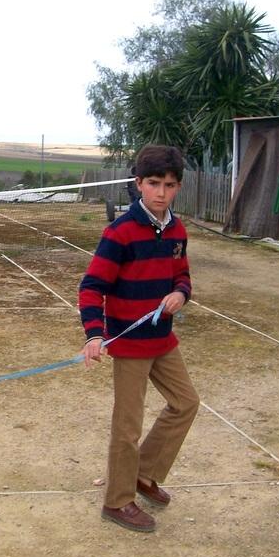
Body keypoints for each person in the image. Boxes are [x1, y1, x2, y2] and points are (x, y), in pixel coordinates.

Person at [79, 144, 199, 533]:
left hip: (163, 339)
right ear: (138, 184)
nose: (161, 192)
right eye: (153, 183)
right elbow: (91, 286)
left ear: (178, 187)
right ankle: (117, 502)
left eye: (169, 185)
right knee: (127, 427)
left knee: (186, 403)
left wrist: (180, 293)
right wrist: (95, 335)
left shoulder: (178, 229)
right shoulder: (120, 233)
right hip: (129, 345)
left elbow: (182, 275)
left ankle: (144, 473)